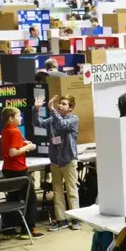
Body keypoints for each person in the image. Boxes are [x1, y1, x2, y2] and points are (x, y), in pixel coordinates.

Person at [33, 94, 81, 231]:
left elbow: (62, 124)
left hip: (68, 160)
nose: (60, 105)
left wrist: (52, 110)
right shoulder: (53, 120)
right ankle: (61, 220)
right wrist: (36, 109)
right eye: (60, 103)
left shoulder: (73, 119)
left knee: (71, 190)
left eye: (64, 104)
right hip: (55, 161)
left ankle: (75, 218)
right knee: (57, 191)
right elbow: (38, 123)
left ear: (70, 108)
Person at [0, 106, 40, 237]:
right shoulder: (15, 131)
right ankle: (28, 229)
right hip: (19, 170)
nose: (21, 118)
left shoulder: (6, 130)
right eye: (18, 116)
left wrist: (22, 143)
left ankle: (10, 228)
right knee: (31, 199)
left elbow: (12, 145)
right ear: (11, 118)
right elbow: (12, 152)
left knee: (13, 198)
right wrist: (28, 146)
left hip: (7, 169)